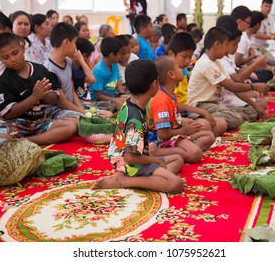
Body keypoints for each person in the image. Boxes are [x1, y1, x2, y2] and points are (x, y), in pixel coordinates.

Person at [91, 59, 185, 194]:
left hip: (132, 156)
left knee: (177, 159)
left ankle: (151, 178)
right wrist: (155, 160)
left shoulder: (131, 102)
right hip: (129, 163)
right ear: (154, 84)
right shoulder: (135, 120)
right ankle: (123, 181)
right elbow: (130, 157)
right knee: (176, 184)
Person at [0, 33, 77, 145]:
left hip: (37, 123)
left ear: (22, 48)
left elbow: (54, 98)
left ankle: (26, 141)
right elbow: (8, 114)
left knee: (71, 126)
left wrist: (45, 94)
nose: (13, 59)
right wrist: (34, 97)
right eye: (5, 57)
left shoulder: (40, 70)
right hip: (13, 125)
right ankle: (29, 139)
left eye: (15, 53)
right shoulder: (2, 80)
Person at [188, 27, 269, 133]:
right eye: (226, 45)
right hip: (201, 105)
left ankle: (226, 118)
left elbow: (234, 88)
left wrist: (255, 106)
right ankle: (202, 119)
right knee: (236, 119)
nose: (227, 49)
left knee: (251, 111)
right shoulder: (206, 63)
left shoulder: (217, 62)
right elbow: (233, 86)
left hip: (216, 104)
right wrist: (254, 86)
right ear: (217, 45)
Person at [147, 55, 215, 164]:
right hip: (159, 140)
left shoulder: (170, 94)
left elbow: (174, 116)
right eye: (178, 67)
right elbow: (162, 134)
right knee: (195, 154)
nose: (182, 70)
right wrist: (184, 130)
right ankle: (157, 152)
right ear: (171, 74)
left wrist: (187, 123)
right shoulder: (161, 100)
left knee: (209, 136)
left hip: (173, 134)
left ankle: (183, 150)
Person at [217, 23, 268, 122]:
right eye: (234, 44)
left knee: (260, 103)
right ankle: (240, 116)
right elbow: (236, 81)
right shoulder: (218, 60)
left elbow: (236, 75)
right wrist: (256, 63)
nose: (237, 48)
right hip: (225, 98)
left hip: (233, 93)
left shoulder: (227, 56)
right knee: (257, 105)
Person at [44, 23, 94, 120]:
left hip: (71, 108)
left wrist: (83, 110)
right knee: (78, 120)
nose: (76, 47)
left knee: (106, 114)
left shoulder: (68, 61)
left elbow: (72, 92)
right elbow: (62, 102)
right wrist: (83, 113)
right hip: (58, 111)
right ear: (67, 42)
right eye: (75, 42)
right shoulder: (49, 69)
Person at [72, 37, 113, 119]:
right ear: (83, 56)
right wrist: (81, 60)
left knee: (110, 110)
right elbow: (92, 79)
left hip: (83, 103)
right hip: (77, 105)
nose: (90, 59)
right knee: (107, 113)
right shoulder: (73, 69)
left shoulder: (81, 67)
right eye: (89, 56)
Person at [90, 37, 129, 112]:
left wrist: (123, 95)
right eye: (120, 54)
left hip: (113, 95)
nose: (122, 56)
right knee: (117, 105)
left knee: (130, 99)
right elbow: (98, 96)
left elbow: (118, 83)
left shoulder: (114, 64)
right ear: (112, 55)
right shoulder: (98, 70)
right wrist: (116, 100)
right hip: (100, 101)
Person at [235, 11, 273, 83]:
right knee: (267, 73)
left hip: (245, 66)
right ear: (258, 24)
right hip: (242, 69)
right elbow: (238, 62)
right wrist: (253, 57)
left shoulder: (249, 36)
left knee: (268, 65)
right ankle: (249, 83)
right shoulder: (244, 39)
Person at [0, 10, 32, 76]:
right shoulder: (5, 44)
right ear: (12, 24)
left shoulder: (28, 44)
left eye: (26, 24)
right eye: (19, 23)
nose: (23, 27)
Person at [251, 0, 275, 66]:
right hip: (253, 47)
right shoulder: (256, 17)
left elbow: (273, 34)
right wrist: (273, 37)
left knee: (274, 63)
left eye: (270, 7)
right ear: (261, 6)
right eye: (266, 6)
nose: (268, 9)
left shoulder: (271, 18)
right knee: (267, 63)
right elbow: (256, 34)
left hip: (262, 47)